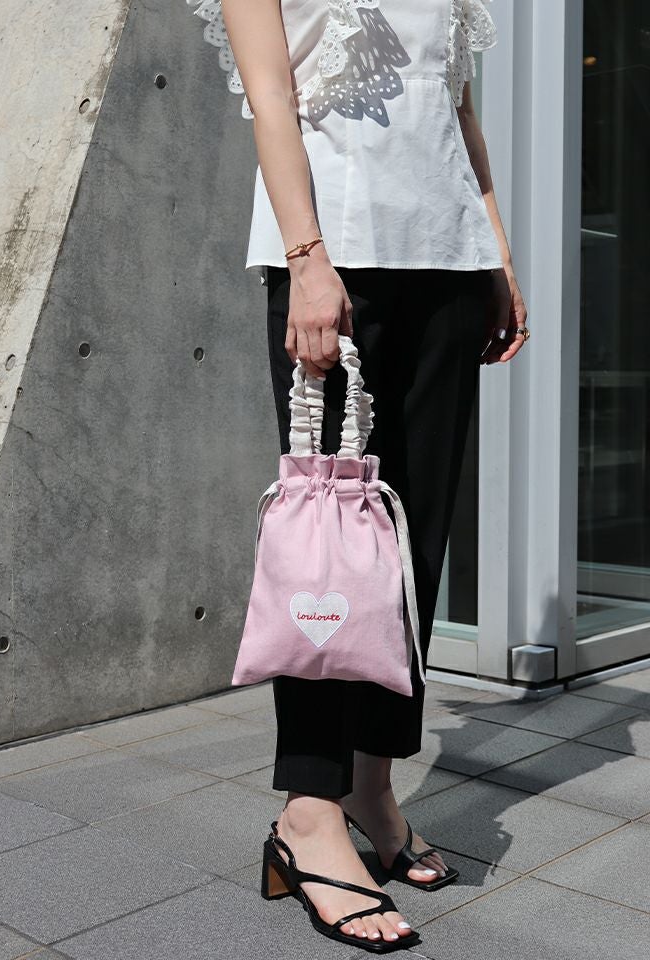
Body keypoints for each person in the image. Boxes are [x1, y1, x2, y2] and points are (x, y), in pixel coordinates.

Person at [190, 0, 528, 951]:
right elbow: (272, 97)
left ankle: (373, 788)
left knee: (414, 542)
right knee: (330, 547)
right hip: (337, 260)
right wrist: (306, 262)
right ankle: (307, 812)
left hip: (447, 262)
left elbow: (457, 110)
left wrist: (495, 253)